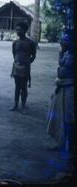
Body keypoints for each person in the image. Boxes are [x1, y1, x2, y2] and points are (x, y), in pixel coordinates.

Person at [46, 30, 74, 160]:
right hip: (62, 87)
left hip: (70, 88)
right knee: (61, 117)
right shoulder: (66, 52)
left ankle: (71, 147)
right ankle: (62, 144)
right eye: (62, 39)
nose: (62, 41)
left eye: (65, 39)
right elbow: (60, 66)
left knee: (69, 119)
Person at [10, 22, 36, 113]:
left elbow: (33, 56)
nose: (18, 31)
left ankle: (23, 106)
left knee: (24, 87)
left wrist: (27, 63)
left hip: (25, 67)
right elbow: (14, 54)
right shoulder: (15, 43)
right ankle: (16, 104)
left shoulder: (30, 43)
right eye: (17, 29)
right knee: (17, 87)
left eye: (20, 29)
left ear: (25, 30)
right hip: (16, 66)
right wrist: (17, 62)